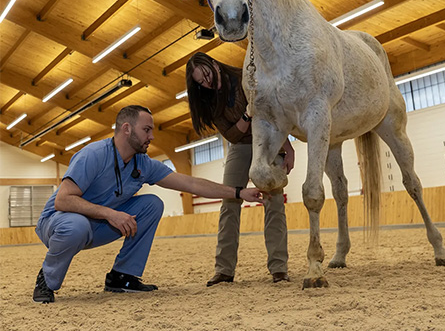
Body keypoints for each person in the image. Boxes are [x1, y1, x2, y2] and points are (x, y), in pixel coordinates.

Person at [33, 105, 264, 303]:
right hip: (59, 223)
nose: (151, 136)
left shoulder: (143, 163)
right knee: (76, 226)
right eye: (146, 130)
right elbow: (64, 200)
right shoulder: (92, 155)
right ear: (126, 129)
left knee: (152, 204)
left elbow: (191, 183)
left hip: (99, 224)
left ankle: (122, 277)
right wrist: (110, 214)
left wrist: (238, 192)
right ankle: (47, 279)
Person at [186, 52, 295, 286]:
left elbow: (272, 114)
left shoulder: (243, 77)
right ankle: (224, 270)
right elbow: (233, 134)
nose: (206, 82)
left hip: (267, 141)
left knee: (274, 203)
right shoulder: (208, 100)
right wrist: (247, 113)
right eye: (200, 82)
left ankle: (279, 268)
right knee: (229, 203)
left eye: (206, 74)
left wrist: (287, 148)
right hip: (239, 146)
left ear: (214, 64)